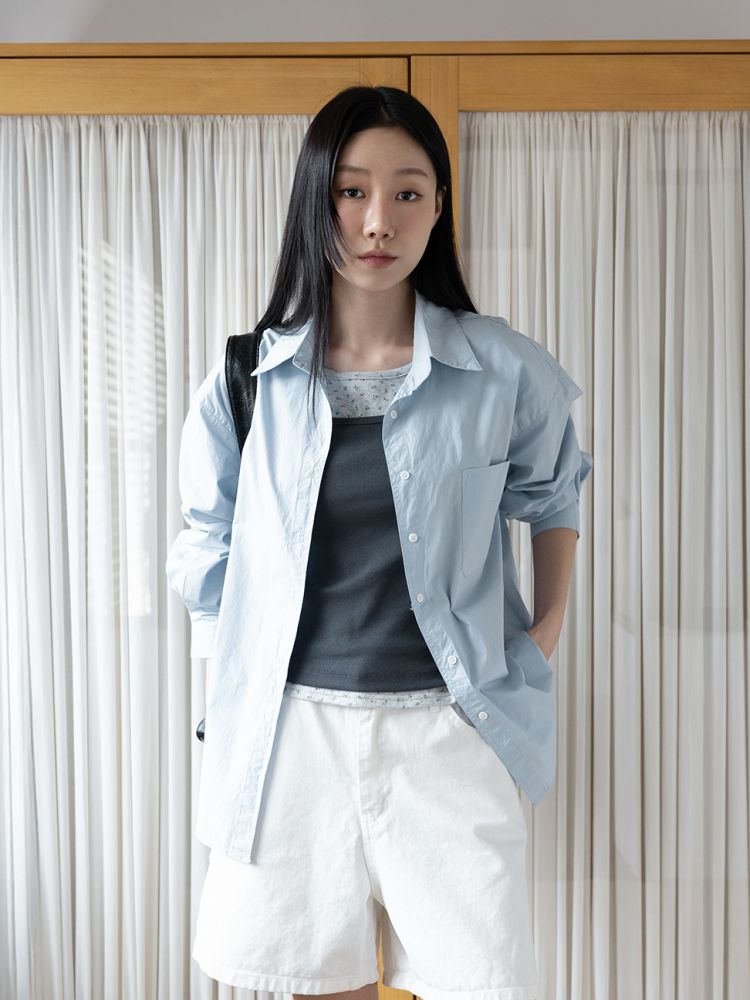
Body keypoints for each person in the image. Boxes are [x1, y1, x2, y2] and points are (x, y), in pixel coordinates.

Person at [165, 84, 592, 1000]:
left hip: (447, 729)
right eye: (352, 191)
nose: (377, 221)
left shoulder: (500, 367)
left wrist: (545, 631)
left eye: (407, 192)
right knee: (317, 982)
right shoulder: (248, 378)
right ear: (314, 201)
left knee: (479, 980)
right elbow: (206, 547)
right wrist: (231, 673)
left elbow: (554, 494)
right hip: (293, 736)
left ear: (439, 208)